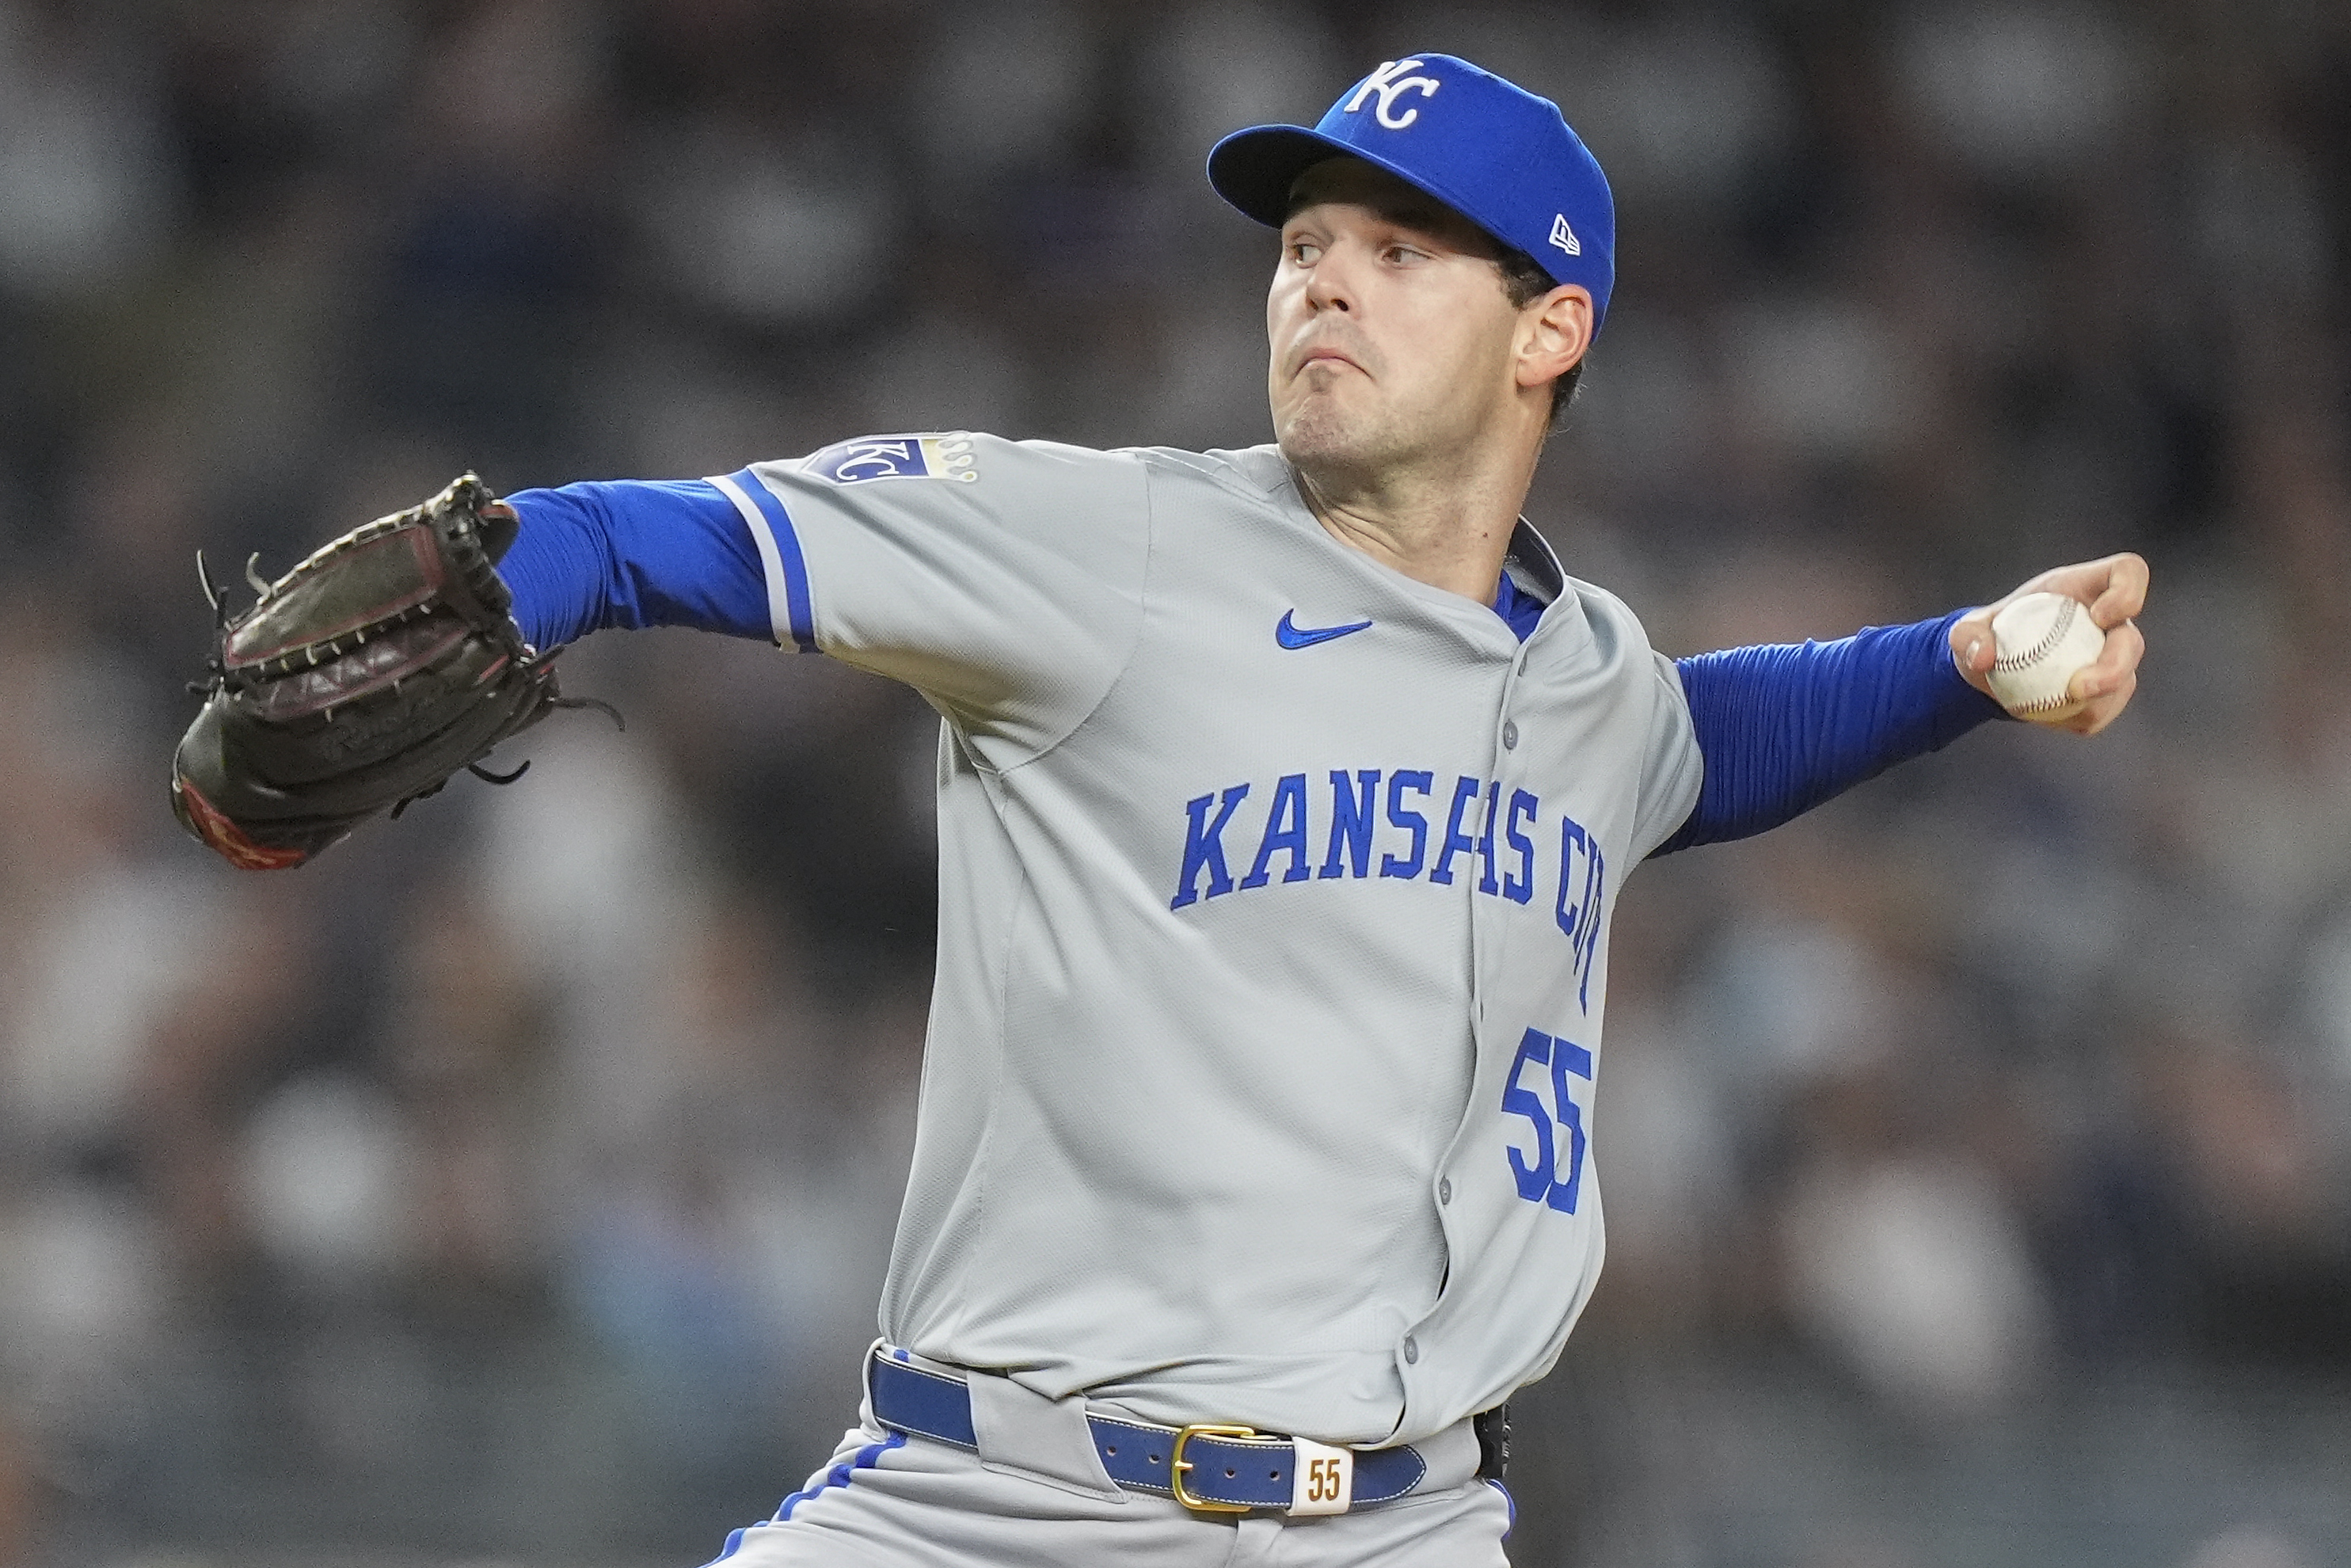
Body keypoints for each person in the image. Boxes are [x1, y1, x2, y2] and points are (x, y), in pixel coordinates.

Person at [484, 53, 2146, 1568]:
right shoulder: (1109, 546)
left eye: (1399, 252)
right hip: (989, 1510)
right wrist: (514, 571)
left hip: (1398, 1531)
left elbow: (1702, 735)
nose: (1321, 279)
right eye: (1303, 246)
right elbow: (683, 532)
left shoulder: (1588, 681)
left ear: (1549, 329)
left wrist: (1959, 663)